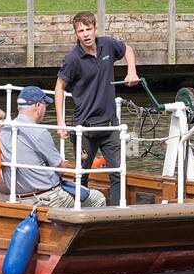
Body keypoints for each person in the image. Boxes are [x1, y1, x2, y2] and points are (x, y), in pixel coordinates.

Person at [54, 11, 139, 207]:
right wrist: (61, 122)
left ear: (95, 29)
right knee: (82, 173)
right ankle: (79, 210)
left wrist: (131, 70)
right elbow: (59, 88)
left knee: (118, 171)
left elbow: (128, 49)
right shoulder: (72, 59)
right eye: (80, 30)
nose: (85, 34)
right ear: (76, 33)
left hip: (110, 126)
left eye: (88, 29)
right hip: (84, 128)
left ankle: (118, 212)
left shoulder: (107, 44)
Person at [0, 86, 105, 209]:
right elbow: (60, 169)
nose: (45, 109)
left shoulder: (3, 130)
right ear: (37, 106)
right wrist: (63, 163)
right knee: (98, 198)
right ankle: (75, 228)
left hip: (15, 195)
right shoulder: (39, 132)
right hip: (44, 198)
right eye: (45, 105)